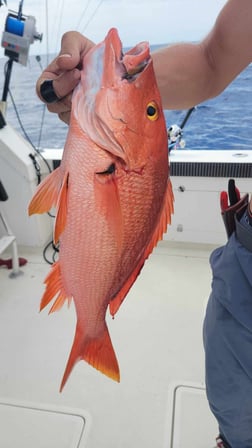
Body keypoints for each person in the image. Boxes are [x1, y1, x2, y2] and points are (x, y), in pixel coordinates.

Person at [36, 1, 252, 446]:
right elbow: (212, 61)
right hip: (246, 267)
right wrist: (106, 79)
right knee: (236, 415)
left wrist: (119, 89)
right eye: (153, 113)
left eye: (152, 114)